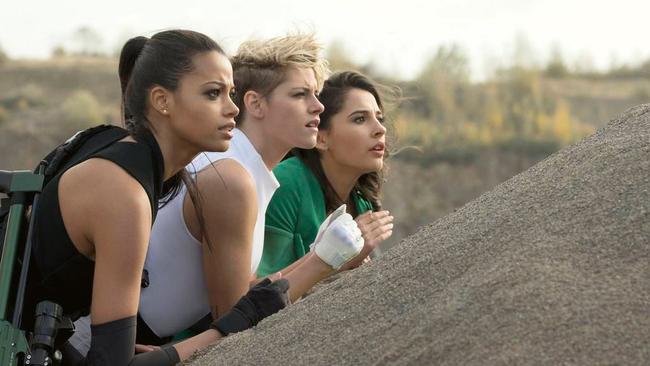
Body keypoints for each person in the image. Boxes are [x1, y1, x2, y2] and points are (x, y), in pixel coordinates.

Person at [23, 29, 289, 366]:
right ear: (162, 101)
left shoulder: (120, 151)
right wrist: (236, 322)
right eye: (213, 94)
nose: (233, 109)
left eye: (231, 93)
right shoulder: (124, 193)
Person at [138, 34, 366, 343]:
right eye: (300, 94)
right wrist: (322, 261)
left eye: (316, 94)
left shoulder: (238, 166)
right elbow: (235, 318)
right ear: (255, 103)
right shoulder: (232, 179)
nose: (318, 107)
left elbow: (245, 289)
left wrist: (318, 253)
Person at [259, 70, 394, 277]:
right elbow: (258, 296)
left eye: (379, 118)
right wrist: (338, 257)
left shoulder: (361, 203)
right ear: (321, 139)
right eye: (359, 119)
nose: (380, 129)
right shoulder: (286, 184)